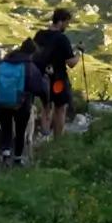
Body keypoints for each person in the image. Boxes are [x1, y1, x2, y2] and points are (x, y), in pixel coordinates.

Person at [0, 38, 49, 163]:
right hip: (21, 104)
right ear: (31, 53)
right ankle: (18, 159)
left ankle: (5, 154)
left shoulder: (2, 63)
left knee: (6, 128)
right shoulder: (30, 67)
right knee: (20, 131)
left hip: (1, 102)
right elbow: (40, 89)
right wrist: (46, 103)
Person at [32, 8, 81, 139]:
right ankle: (57, 139)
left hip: (41, 77)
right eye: (66, 23)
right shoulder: (62, 38)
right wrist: (78, 54)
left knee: (45, 106)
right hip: (58, 79)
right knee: (60, 108)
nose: (67, 26)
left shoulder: (40, 35)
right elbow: (71, 63)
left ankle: (44, 135)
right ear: (60, 22)